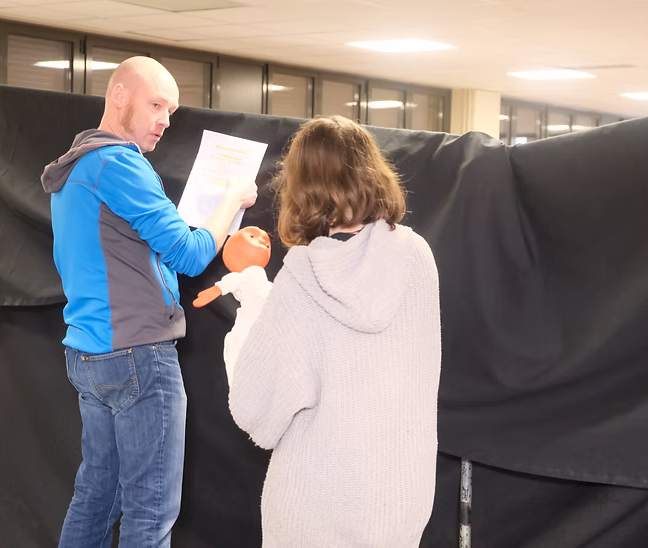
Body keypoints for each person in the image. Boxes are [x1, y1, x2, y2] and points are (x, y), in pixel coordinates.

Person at [41, 56, 257, 548]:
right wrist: (230, 200)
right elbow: (191, 253)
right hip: (139, 356)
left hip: (90, 354)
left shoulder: (77, 166)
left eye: (171, 111)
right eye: (156, 104)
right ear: (119, 95)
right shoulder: (118, 163)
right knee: (150, 511)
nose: (164, 120)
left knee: (96, 495)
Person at [228, 116, 442, 547]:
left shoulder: (302, 277)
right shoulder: (418, 257)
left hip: (314, 504)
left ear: (299, 184)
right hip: (398, 501)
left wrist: (249, 314)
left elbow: (254, 408)